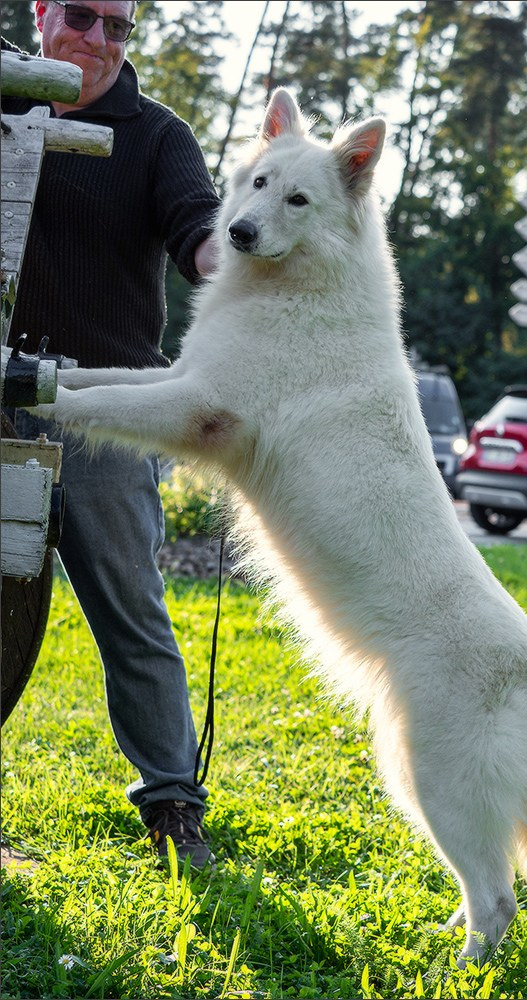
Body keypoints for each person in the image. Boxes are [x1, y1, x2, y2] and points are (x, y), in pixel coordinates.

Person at [2, 1, 222, 867]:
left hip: (104, 412)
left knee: (133, 609)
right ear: (43, 13)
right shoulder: (8, 95)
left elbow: (199, 231)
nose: (97, 40)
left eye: (119, 27)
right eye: (82, 16)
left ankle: (173, 802)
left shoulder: (158, 134)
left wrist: (235, 256)